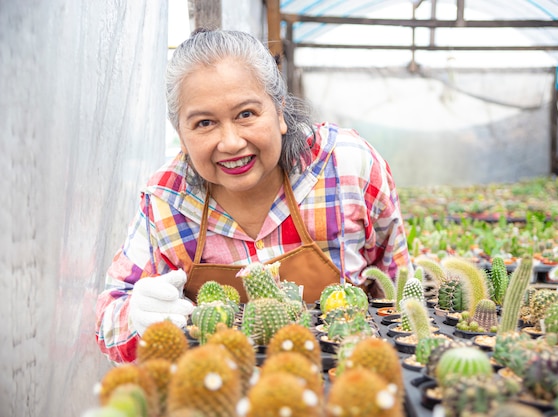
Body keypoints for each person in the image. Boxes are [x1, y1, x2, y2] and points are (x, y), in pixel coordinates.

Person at [95, 28, 413, 363]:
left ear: (279, 112)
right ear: (181, 135)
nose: (230, 142)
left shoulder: (347, 167)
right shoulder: (167, 201)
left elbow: (397, 285)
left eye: (246, 114)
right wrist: (136, 316)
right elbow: (108, 317)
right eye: (204, 123)